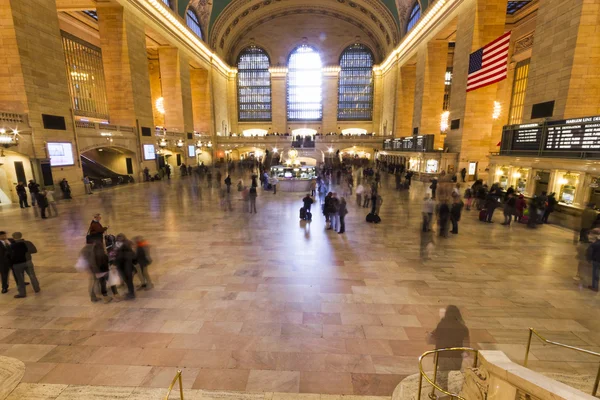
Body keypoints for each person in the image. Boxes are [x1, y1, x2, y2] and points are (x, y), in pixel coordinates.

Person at [427, 306, 470, 392]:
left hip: (442, 356)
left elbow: (433, 339)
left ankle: (444, 391)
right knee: (454, 378)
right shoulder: (463, 328)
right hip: (456, 358)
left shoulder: (441, 325)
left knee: (442, 378)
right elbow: (466, 345)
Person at [10, 232, 40, 298]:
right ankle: (36, 288)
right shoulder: (27, 242)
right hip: (28, 262)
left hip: (17, 264)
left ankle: (22, 293)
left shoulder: (11, 245)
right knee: (32, 275)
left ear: (13, 237)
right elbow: (34, 250)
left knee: (20, 279)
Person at [115, 233, 136, 300]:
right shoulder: (123, 248)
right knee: (128, 281)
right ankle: (130, 292)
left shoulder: (123, 250)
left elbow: (115, 256)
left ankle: (131, 294)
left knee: (128, 281)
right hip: (124, 268)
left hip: (126, 268)